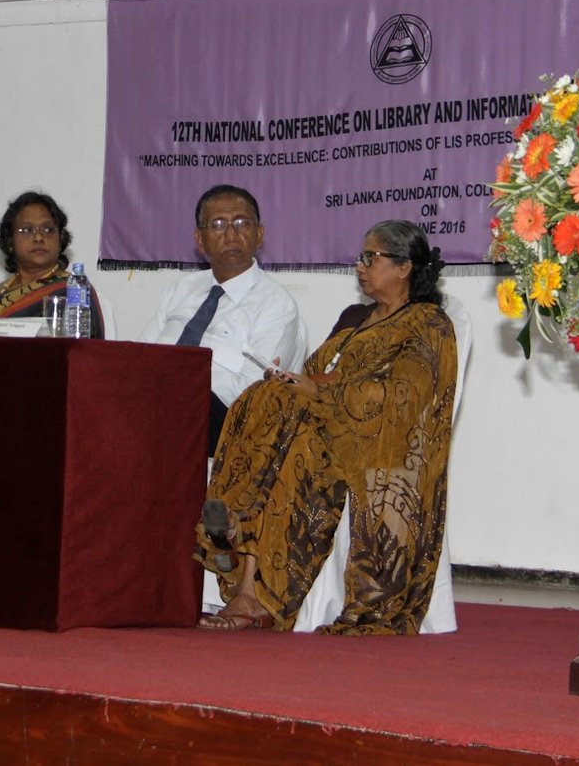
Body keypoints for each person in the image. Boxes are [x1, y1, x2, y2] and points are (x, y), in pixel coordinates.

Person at [195, 219, 456, 634]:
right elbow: (318, 370)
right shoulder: (356, 317)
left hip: (375, 437)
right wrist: (295, 381)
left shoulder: (427, 323)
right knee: (265, 398)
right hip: (325, 420)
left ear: (404, 266)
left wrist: (323, 391)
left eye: (371, 258)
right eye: (361, 257)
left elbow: (406, 396)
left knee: (297, 445)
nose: (360, 266)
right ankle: (237, 529)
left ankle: (249, 569)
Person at [138, 184, 305, 455]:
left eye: (241, 223)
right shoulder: (182, 290)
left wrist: (179, 384)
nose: (231, 234)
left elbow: (251, 398)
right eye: (218, 224)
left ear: (259, 234)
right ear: (200, 239)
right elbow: (141, 357)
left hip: (224, 432)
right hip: (155, 415)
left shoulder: (276, 305)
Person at [0, 190, 106, 337]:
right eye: (27, 230)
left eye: (48, 229)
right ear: (10, 242)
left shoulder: (74, 292)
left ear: (60, 239)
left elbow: (87, 348)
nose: (38, 237)